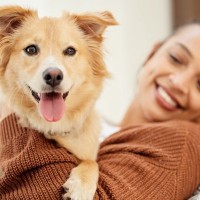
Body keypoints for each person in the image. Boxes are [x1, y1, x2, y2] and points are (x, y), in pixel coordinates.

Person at [1, 22, 200, 200]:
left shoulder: (186, 142)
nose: (178, 83)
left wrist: (11, 113)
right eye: (176, 58)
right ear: (152, 54)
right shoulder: (91, 127)